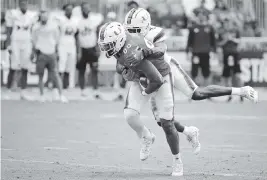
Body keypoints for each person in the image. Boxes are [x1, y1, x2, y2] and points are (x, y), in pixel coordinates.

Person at [98, 22, 183, 176]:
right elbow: (119, 65)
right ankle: (146, 136)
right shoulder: (122, 43)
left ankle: (177, 160)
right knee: (130, 115)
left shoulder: (132, 52)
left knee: (166, 123)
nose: (106, 48)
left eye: (109, 44)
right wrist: (126, 70)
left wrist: (145, 93)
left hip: (160, 77)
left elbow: (156, 80)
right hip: (141, 76)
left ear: (118, 41)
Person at [32, 10, 68, 103]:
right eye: (42, 16)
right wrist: (35, 51)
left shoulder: (53, 26)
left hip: (51, 53)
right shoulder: (36, 27)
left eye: (45, 16)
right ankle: (42, 95)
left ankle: (60, 95)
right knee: (40, 75)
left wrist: (56, 51)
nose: (44, 18)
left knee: (55, 74)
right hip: (41, 53)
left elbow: (57, 39)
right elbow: (34, 40)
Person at [5, 0, 38, 100]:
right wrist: (8, 43)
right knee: (13, 66)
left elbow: (33, 31)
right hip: (15, 40)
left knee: (25, 66)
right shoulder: (13, 13)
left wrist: (33, 46)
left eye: (26, 3)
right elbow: (9, 30)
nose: (24, 5)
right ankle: (9, 88)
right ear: (19, 4)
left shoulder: (32, 15)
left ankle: (23, 89)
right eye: (22, 3)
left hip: (27, 41)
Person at [76, 2, 102, 98]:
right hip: (82, 49)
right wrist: (78, 51)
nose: (86, 10)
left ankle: (95, 90)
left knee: (94, 70)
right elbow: (76, 37)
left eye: (88, 8)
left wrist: (98, 48)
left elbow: (99, 33)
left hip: (92, 48)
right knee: (82, 70)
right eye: (84, 8)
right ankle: (82, 90)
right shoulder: (78, 22)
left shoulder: (94, 20)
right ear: (81, 10)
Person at [186, 11, 216, 86]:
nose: (201, 17)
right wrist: (187, 52)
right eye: (199, 15)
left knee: (206, 71)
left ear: (206, 17)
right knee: (194, 71)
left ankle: (207, 91)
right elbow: (189, 41)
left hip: (206, 53)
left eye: (202, 15)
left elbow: (213, 41)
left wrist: (214, 52)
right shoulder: (193, 28)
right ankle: (194, 91)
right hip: (196, 53)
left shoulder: (210, 27)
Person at [218, 19, 243, 102]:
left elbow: (239, 41)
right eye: (225, 23)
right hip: (226, 55)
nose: (227, 24)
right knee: (227, 76)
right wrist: (226, 40)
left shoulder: (236, 31)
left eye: (228, 22)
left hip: (234, 55)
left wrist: (231, 38)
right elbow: (219, 44)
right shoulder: (221, 32)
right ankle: (229, 95)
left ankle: (242, 94)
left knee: (237, 75)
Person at [57, 3, 78, 89]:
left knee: (70, 66)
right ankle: (58, 85)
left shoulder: (75, 20)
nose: (69, 11)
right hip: (62, 44)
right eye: (67, 9)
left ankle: (67, 85)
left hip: (71, 45)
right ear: (64, 10)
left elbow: (76, 35)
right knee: (61, 65)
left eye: (71, 9)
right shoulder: (60, 20)